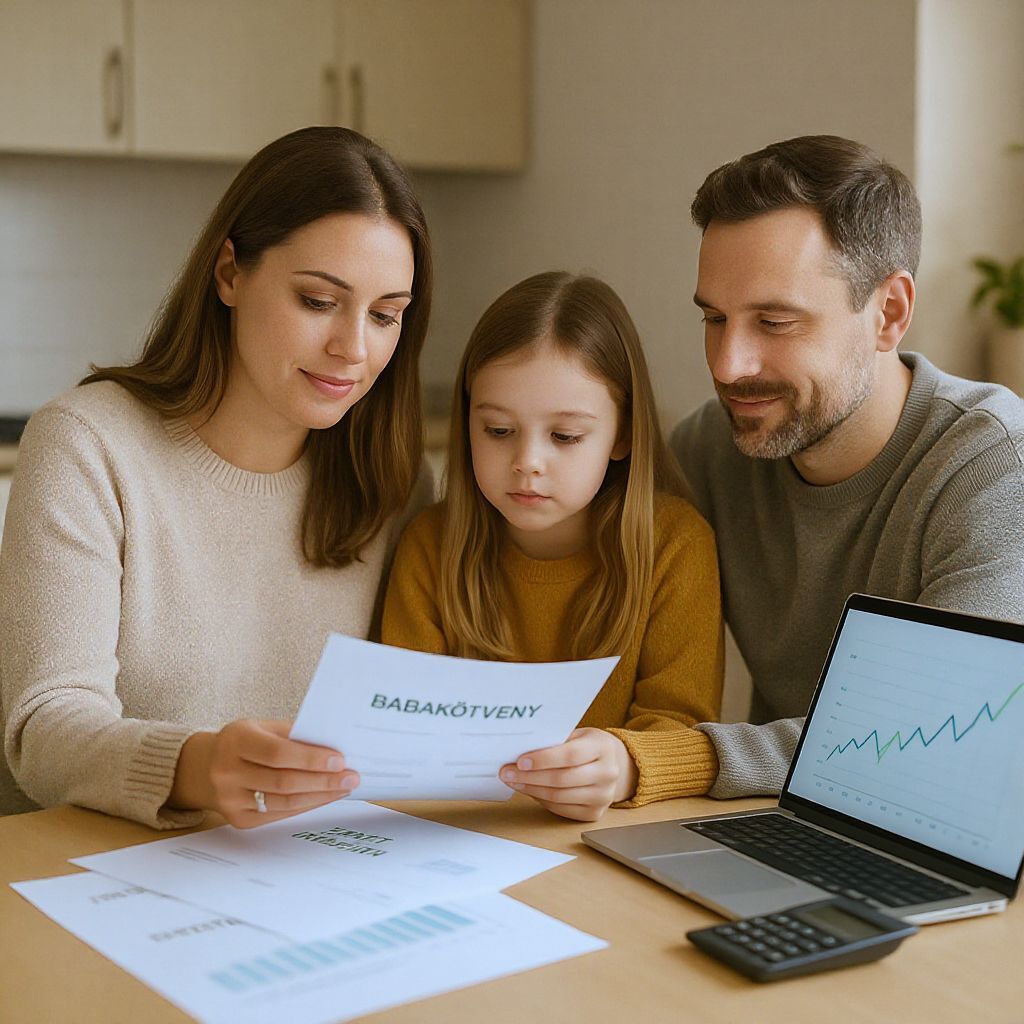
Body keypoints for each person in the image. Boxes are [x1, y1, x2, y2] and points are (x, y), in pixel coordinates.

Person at [0, 127, 434, 829]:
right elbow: (43, 728)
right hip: (92, 861)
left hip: (306, 861)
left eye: (385, 315)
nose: (353, 348)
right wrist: (199, 767)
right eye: (318, 301)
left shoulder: (396, 478)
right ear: (230, 273)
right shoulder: (89, 444)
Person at [669, 135, 1024, 798]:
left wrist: (686, 759)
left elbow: (936, 730)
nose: (728, 365)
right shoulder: (708, 451)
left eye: (774, 322)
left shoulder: (996, 466)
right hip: (784, 823)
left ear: (889, 313)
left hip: (948, 834)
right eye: (715, 318)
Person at [382, 271, 724, 822]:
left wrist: (623, 765)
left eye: (565, 436)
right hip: (457, 830)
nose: (527, 462)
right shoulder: (430, 545)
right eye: (498, 430)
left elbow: (680, 726)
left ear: (623, 434)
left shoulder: (676, 546)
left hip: (610, 835)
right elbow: (403, 730)